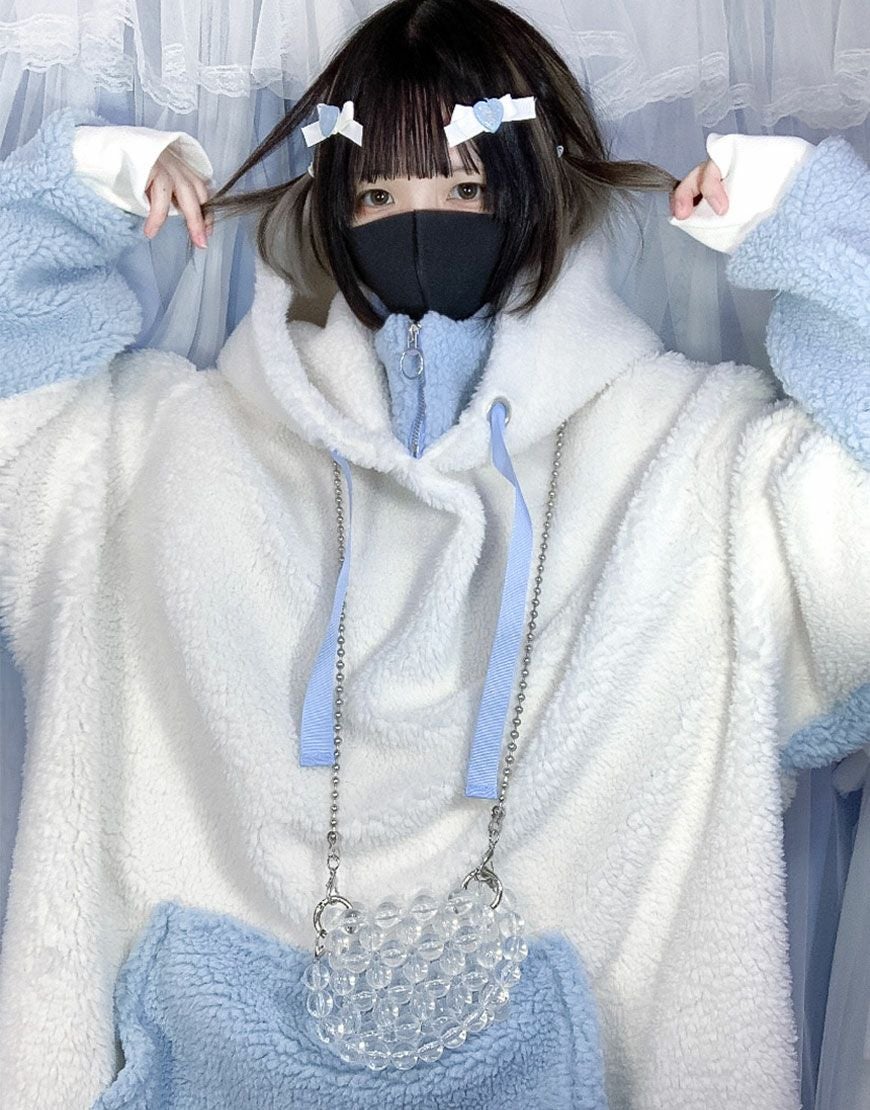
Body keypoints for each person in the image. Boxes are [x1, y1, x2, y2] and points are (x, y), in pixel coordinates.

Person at [0, 0, 867, 1106]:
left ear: (532, 193)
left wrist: (810, 220)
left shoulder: (686, 456)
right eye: (376, 195)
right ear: (331, 206)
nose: (419, 225)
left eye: (464, 190)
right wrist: (84, 185)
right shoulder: (172, 449)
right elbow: (19, 412)